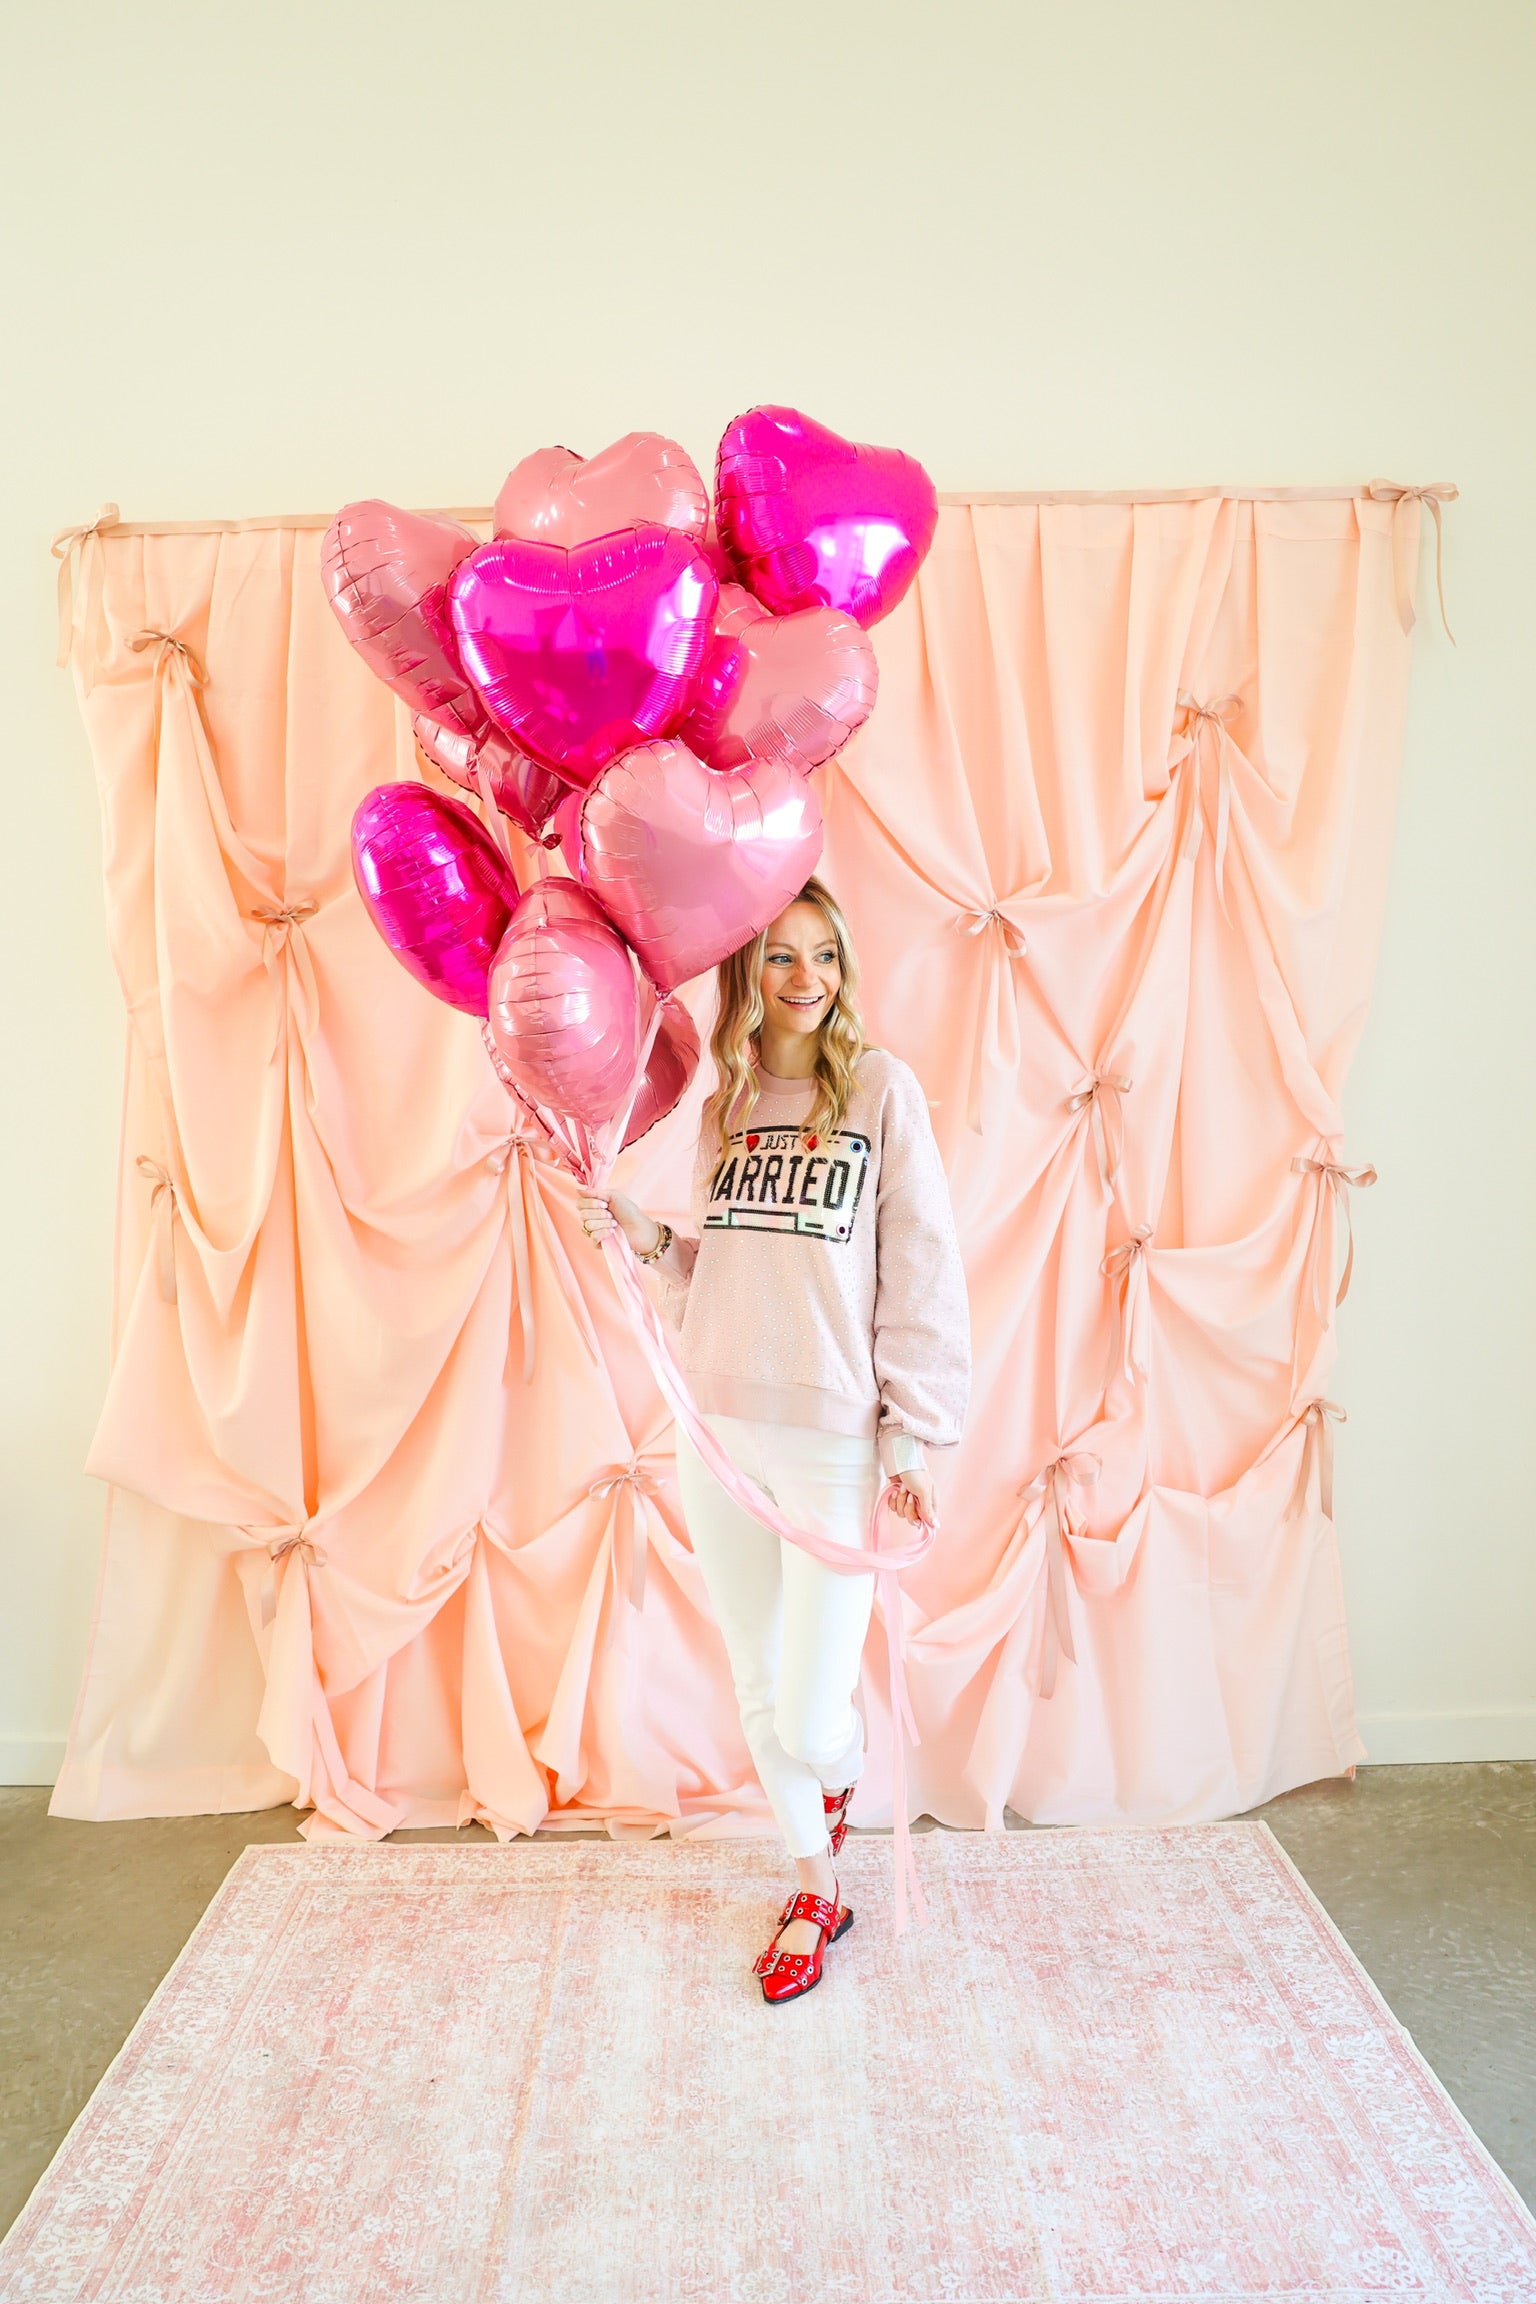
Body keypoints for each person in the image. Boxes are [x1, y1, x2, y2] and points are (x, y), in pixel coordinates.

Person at [578, 877, 970, 2005]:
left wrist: (911, 1440)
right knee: (759, 1683)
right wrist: (652, 1239)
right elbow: (728, 1281)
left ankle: (837, 1778)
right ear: (751, 973)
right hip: (719, 1432)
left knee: (811, 1714)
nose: (808, 979)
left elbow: (922, 1269)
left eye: (825, 956)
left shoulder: (881, 1092)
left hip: (833, 1445)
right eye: (785, 957)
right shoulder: (728, 1107)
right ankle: (814, 1889)